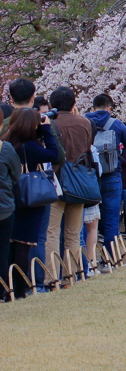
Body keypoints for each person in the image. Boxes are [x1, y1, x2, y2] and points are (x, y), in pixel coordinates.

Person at [7, 108, 59, 297]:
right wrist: (46, 130)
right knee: (24, 244)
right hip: (30, 199)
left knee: (11, 244)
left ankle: (8, 287)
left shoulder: (8, 143)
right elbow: (55, 155)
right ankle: (20, 289)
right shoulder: (30, 146)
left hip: (12, 196)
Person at [45, 86, 94, 283]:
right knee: (73, 233)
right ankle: (72, 275)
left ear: (52, 104)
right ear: (74, 103)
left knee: (52, 233)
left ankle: (51, 278)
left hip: (56, 182)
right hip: (79, 182)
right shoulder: (86, 123)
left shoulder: (50, 124)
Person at [85, 94, 126, 266]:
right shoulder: (116, 124)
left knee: (87, 219)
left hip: (90, 177)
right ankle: (109, 259)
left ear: (93, 108)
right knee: (111, 220)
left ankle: (87, 261)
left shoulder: (84, 122)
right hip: (112, 176)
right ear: (109, 108)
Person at [0, 135, 20, 299]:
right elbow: (16, 175)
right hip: (3, 207)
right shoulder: (5, 148)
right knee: (2, 252)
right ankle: (2, 290)